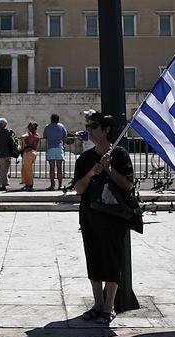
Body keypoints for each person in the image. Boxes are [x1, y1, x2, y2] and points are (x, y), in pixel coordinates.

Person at [73, 113, 135, 325]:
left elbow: (128, 185)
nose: (90, 130)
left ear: (106, 129)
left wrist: (108, 169)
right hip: (90, 216)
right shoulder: (85, 158)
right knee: (94, 259)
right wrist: (92, 172)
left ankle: (109, 306)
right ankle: (97, 304)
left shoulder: (120, 155)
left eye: (95, 126)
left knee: (112, 260)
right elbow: (79, 189)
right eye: (88, 127)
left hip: (114, 217)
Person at [43, 114, 67, 190]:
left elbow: (44, 136)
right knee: (59, 168)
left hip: (51, 148)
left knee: (52, 168)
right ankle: (60, 185)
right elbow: (65, 135)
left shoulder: (47, 127)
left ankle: (52, 185)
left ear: (51, 119)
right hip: (59, 147)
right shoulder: (61, 126)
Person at [0, 118, 15, 191]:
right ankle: (5, 183)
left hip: (0, 153)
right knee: (6, 169)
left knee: (2, 169)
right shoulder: (9, 132)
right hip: (8, 153)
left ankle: (3, 184)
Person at [20, 121, 40, 191]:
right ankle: (27, 184)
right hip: (34, 152)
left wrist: (23, 144)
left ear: (29, 128)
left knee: (28, 170)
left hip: (28, 152)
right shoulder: (37, 135)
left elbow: (22, 137)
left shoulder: (29, 134)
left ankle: (30, 185)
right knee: (26, 169)